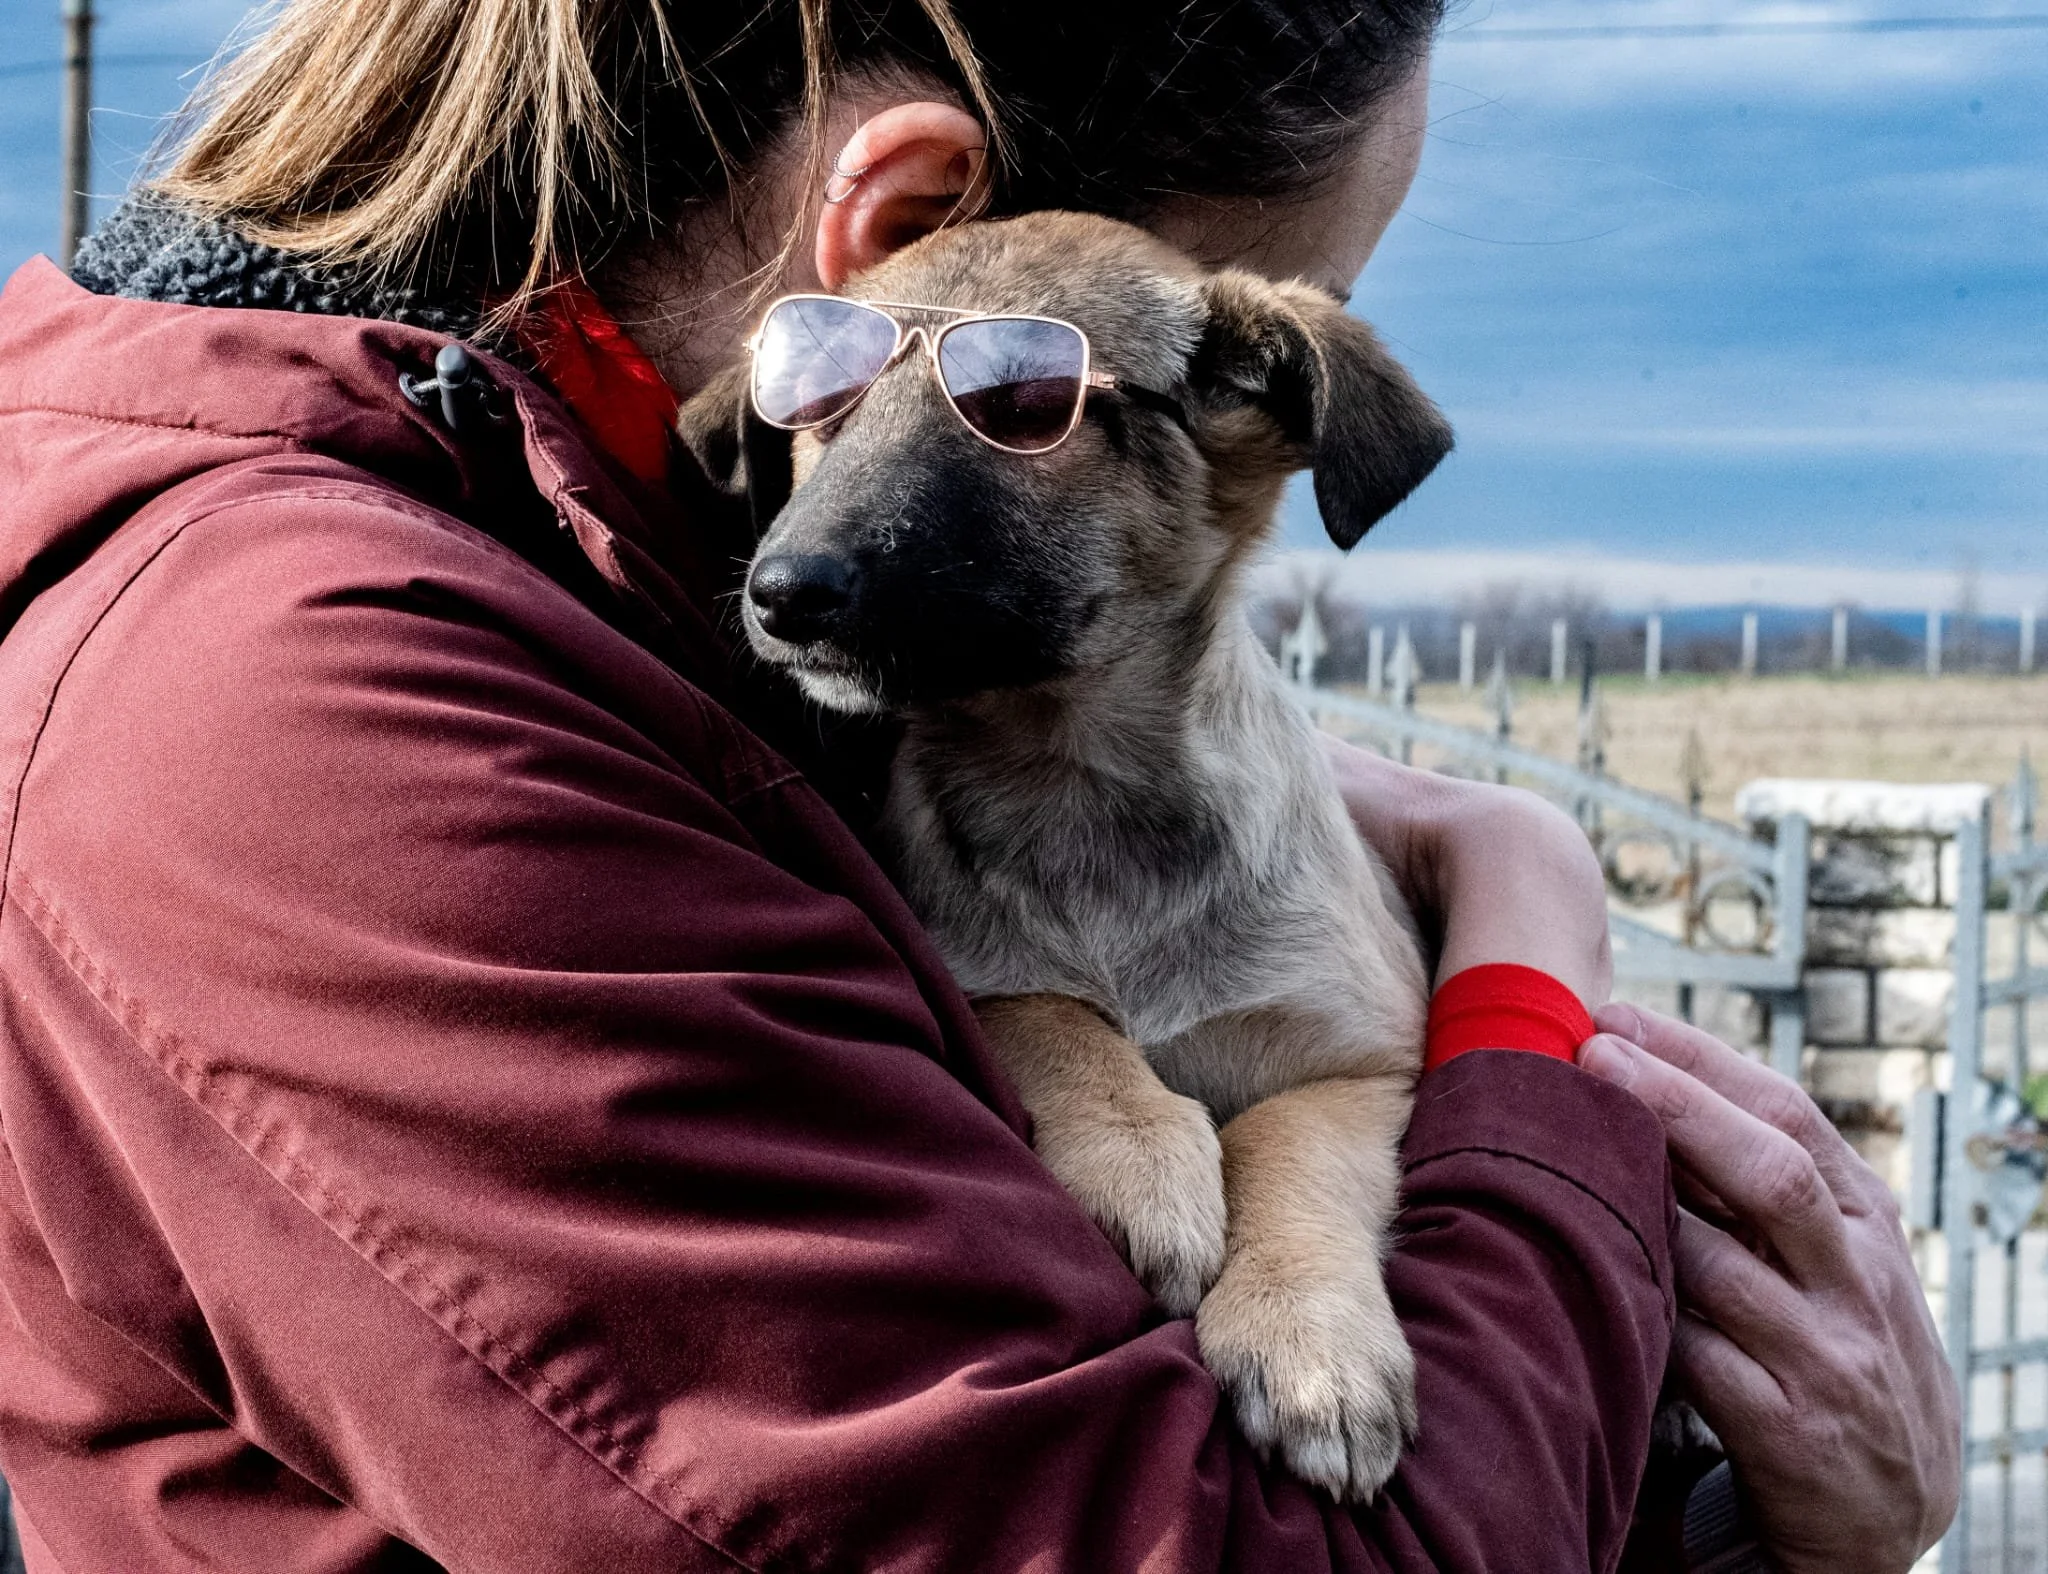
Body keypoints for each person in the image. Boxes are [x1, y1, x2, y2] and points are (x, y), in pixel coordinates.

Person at [0, 0, 1954, 1568]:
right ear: (913, 236)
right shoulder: (314, 710)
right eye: (1292, 290)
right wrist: (1527, 953)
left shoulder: (619, 589)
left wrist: (1759, 1520)